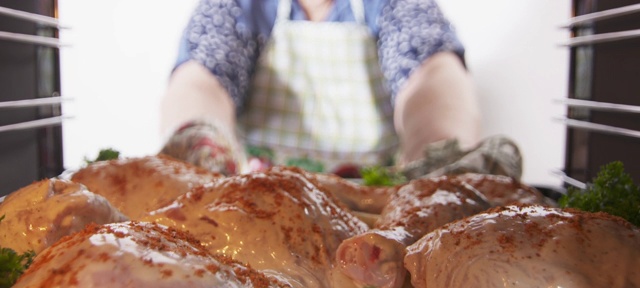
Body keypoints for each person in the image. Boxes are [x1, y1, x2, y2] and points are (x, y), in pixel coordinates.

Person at [159, 0, 482, 176]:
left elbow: (434, 77)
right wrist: (200, 146)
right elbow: (200, 80)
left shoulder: (396, 6)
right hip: (258, 213)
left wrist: (438, 153)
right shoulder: (238, 7)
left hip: (375, 219)